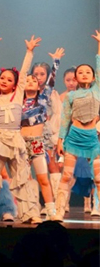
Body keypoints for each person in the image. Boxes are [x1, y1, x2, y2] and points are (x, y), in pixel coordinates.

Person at [0, 34, 42, 223]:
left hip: (15, 140)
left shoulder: (17, 95)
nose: (3, 81)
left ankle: (30, 213)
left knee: (22, 177)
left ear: (15, 84)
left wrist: (29, 52)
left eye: (9, 79)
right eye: (2, 78)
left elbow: (24, 72)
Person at [54, 30, 100, 221]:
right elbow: (65, 119)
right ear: (76, 77)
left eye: (88, 72)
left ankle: (96, 207)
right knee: (66, 176)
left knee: (98, 178)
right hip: (73, 137)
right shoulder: (71, 96)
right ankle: (58, 211)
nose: (84, 74)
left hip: (91, 138)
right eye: (80, 72)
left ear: (93, 77)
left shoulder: (97, 89)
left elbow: (99, 66)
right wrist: (60, 140)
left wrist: (99, 45)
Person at [21, 48, 65, 220]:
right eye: (29, 79)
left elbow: (51, 81)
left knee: (43, 179)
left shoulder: (43, 98)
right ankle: (30, 211)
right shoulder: (18, 100)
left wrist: (56, 62)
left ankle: (52, 212)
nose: (33, 81)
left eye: (35, 79)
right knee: (25, 179)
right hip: (21, 143)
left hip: (37, 142)